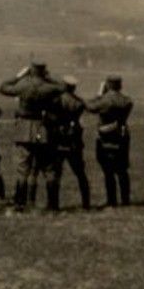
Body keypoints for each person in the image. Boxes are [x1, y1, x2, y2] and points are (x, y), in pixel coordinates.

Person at [0, 61, 64, 211]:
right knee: (49, 169)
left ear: (31, 71)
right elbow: (63, 87)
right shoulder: (49, 87)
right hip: (43, 129)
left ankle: (20, 203)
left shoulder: (24, 86)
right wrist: (47, 77)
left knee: (23, 169)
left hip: (25, 129)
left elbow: (3, 87)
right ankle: (53, 205)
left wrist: (19, 76)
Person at [86, 75, 134, 207]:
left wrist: (99, 94)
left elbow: (89, 107)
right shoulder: (127, 101)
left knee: (108, 170)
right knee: (122, 169)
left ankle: (112, 200)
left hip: (106, 135)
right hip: (122, 134)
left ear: (108, 85)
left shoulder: (105, 100)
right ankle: (125, 200)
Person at [47, 76, 92, 211]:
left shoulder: (55, 101)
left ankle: (53, 204)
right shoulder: (78, 102)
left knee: (54, 173)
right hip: (74, 141)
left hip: (57, 140)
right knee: (80, 173)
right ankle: (86, 203)